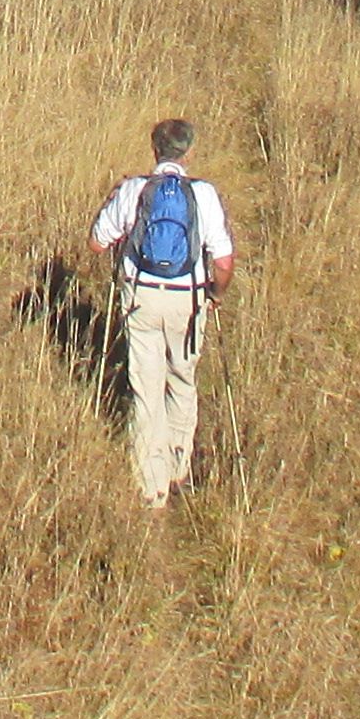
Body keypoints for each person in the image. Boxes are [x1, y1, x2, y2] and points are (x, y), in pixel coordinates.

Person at [89, 116, 237, 508]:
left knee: (146, 389)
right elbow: (224, 262)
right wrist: (215, 294)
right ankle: (177, 470)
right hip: (188, 299)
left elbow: (97, 243)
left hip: (142, 298)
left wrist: (114, 203)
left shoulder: (134, 189)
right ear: (189, 152)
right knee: (182, 381)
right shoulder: (204, 194)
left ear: (155, 150)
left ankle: (150, 487)